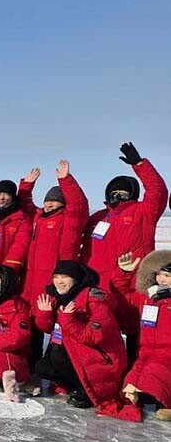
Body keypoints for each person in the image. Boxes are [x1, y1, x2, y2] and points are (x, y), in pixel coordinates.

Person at [81, 142, 168, 362]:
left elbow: (157, 191)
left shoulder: (143, 212)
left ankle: (135, 380)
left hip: (133, 285)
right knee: (103, 334)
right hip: (102, 285)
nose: (117, 196)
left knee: (136, 334)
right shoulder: (99, 217)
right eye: (114, 192)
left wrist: (139, 165)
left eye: (123, 192)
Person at [33, 261, 130, 418]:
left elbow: (92, 336)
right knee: (43, 367)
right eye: (56, 277)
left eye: (64, 277)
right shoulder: (59, 297)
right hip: (76, 353)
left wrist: (67, 319)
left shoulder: (95, 301)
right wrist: (45, 314)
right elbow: (47, 328)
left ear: (76, 279)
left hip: (100, 358)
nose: (59, 281)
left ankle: (86, 392)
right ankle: (77, 386)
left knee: (57, 356)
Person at [18, 161, 89, 364]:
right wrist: (26, 185)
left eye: (54, 201)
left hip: (56, 281)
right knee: (32, 323)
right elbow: (25, 205)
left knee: (55, 323)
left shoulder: (70, 220)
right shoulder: (38, 218)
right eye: (47, 201)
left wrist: (65, 180)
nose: (48, 204)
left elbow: (79, 204)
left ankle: (57, 366)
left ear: (63, 203)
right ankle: (30, 366)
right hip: (31, 281)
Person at [113, 251, 171, 422]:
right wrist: (124, 273)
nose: (161, 279)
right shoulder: (147, 297)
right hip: (145, 352)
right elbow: (122, 295)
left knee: (153, 375)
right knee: (130, 386)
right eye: (158, 274)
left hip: (167, 354)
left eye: (167, 275)